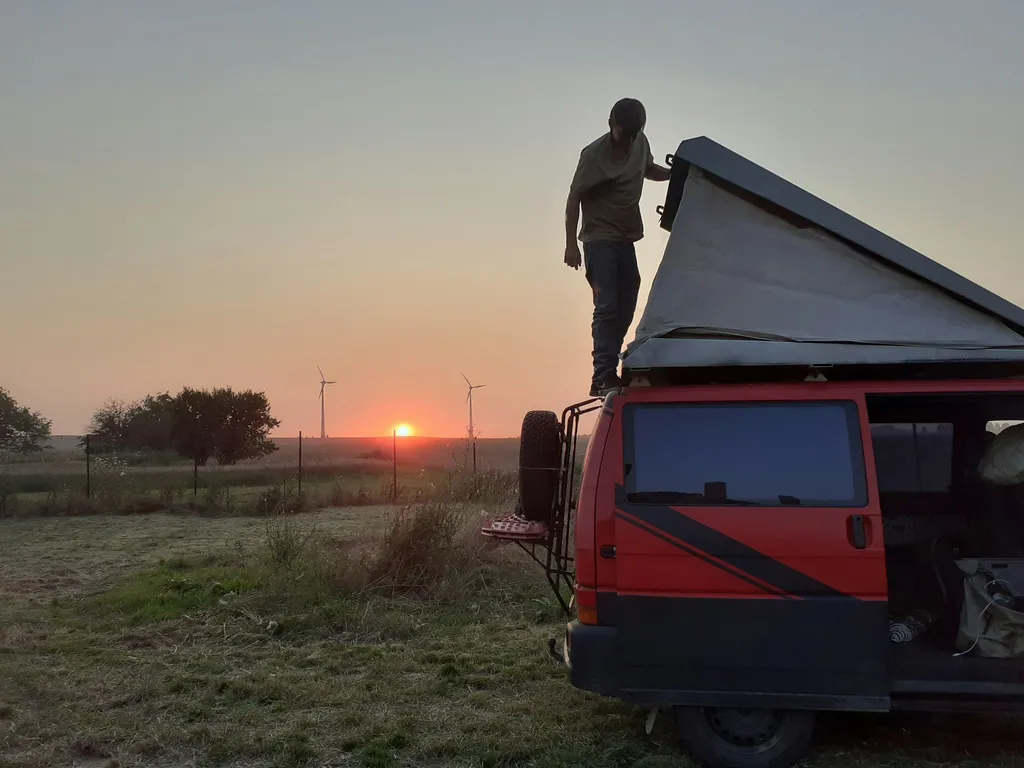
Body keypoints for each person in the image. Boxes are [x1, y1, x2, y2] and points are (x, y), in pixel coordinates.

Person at [564, 98, 670, 397]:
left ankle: (608, 365)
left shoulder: (639, 140)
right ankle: (603, 374)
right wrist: (571, 244)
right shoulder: (594, 155)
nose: (630, 141)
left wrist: (676, 174)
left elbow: (647, 168)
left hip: (625, 236)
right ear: (612, 124)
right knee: (608, 303)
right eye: (626, 134)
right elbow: (574, 198)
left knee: (627, 301)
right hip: (599, 238)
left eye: (636, 134)